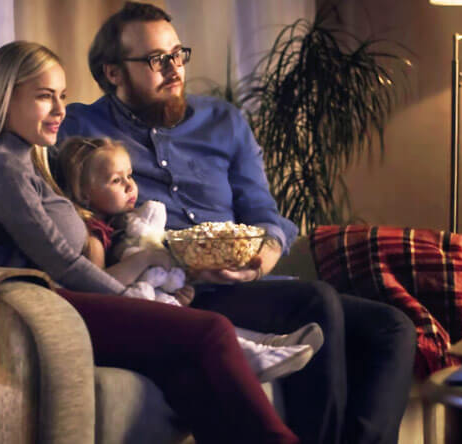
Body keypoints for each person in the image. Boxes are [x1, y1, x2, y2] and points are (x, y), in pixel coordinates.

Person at [58, 0, 417, 444]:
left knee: (392, 327)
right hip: (177, 291)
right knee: (317, 303)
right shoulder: (79, 127)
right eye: (155, 60)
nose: (173, 68)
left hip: (243, 282)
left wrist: (264, 257)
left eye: (177, 54)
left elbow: (265, 212)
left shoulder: (223, 121)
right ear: (113, 73)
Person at [0, 40, 299, 444]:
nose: (60, 111)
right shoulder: (3, 164)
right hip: (48, 306)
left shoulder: (28, 158)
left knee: (185, 373)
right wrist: (131, 297)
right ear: (4, 95)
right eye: (44, 97)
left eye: (63, 97)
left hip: (68, 298)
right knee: (210, 330)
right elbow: (61, 263)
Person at [56, 135, 322, 382]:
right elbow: (99, 289)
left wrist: (176, 290)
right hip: (129, 321)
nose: (130, 186)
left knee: (197, 316)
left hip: (150, 302)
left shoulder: (124, 227)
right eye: (116, 180)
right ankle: (256, 355)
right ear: (84, 194)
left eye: (130, 175)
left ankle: (271, 344)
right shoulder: (94, 238)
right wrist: (147, 258)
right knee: (205, 326)